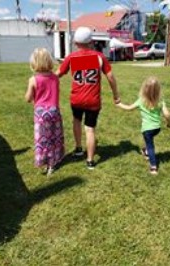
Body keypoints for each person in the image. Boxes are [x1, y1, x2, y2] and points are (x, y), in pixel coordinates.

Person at [56, 26, 120, 170]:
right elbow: (110, 77)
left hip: (76, 99)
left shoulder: (72, 57)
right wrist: (116, 95)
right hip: (93, 100)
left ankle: (79, 149)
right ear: (91, 41)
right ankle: (90, 161)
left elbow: (58, 73)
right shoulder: (99, 57)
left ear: (76, 43)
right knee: (90, 129)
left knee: (76, 121)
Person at [116, 77, 170, 175]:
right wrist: (168, 123)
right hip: (157, 129)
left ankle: (153, 166)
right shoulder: (160, 101)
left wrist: (119, 104)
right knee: (149, 140)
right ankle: (145, 151)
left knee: (150, 146)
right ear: (158, 90)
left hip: (147, 130)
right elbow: (167, 114)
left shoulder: (141, 100)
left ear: (144, 89)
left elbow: (129, 108)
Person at [25, 48, 64, 176]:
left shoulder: (34, 79)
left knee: (43, 139)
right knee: (54, 137)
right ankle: (53, 162)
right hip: (54, 111)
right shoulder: (55, 78)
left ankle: (45, 161)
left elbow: (28, 98)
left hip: (41, 113)